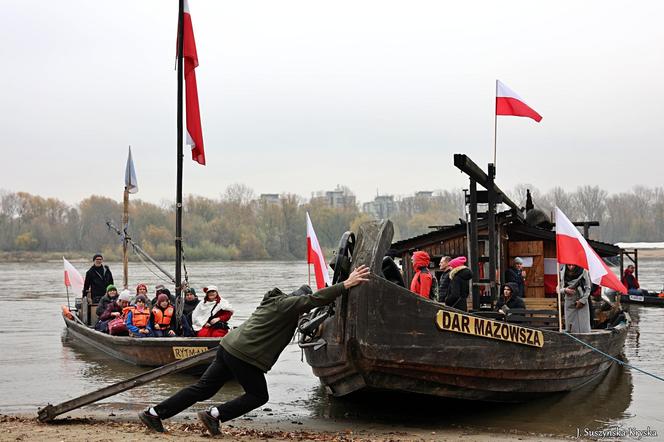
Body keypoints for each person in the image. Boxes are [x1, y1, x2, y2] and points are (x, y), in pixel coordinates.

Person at [138, 265, 371, 435]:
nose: (302, 312)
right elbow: (314, 300)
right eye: (301, 307)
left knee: (202, 389)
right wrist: (345, 285)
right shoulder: (287, 305)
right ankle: (214, 415)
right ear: (297, 301)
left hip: (228, 347)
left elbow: (309, 312)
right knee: (259, 396)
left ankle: (154, 413)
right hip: (243, 355)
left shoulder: (273, 304)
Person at [558, 264, 591, 333]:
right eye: (569, 265)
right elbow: (558, 289)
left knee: (583, 325)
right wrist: (565, 290)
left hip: (581, 298)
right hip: (569, 300)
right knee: (570, 326)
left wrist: (582, 301)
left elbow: (588, 288)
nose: (571, 267)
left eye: (573, 265)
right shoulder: (562, 272)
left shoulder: (583, 271)